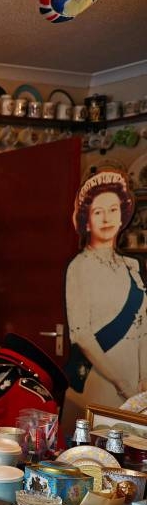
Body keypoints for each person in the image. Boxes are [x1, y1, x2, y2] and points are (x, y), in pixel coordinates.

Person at [64, 172, 147, 423]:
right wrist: (121, 383)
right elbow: (82, 335)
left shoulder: (132, 265)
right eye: (98, 212)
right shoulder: (79, 267)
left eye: (113, 209)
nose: (107, 217)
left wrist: (142, 378)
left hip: (135, 386)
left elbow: (143, 325)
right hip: (100, 380)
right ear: (86, 221)